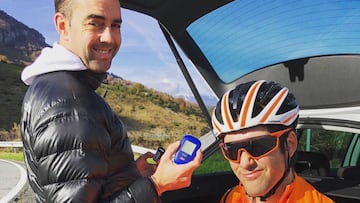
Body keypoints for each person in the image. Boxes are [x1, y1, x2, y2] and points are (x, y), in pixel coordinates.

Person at [20, 0, 202, 202]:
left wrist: (128, 175)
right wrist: (157, 184)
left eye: (116, 25)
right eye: (95, 23)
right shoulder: (71, 103)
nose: (109, 37)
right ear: (63, 26)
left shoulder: (56, 87)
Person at [211, 80, 334, 203]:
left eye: (258, 146)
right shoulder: (231, 198)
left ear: (289, 144)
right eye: (231, 149)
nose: (244, 163)